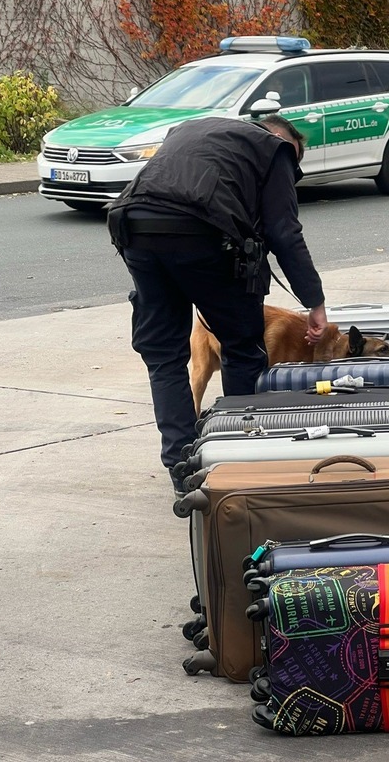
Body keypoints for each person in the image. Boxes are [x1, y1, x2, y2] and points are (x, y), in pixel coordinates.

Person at [107, 114, 327, 495]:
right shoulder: (275, 149)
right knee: (242, 348)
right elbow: (284, 232)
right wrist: (314, 301)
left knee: (164, 356)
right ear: (282, 139)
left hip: (134, 225)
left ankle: (182, 467)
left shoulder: (194, 129)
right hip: (201, 233)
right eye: (294, 162)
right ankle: (235, 458)